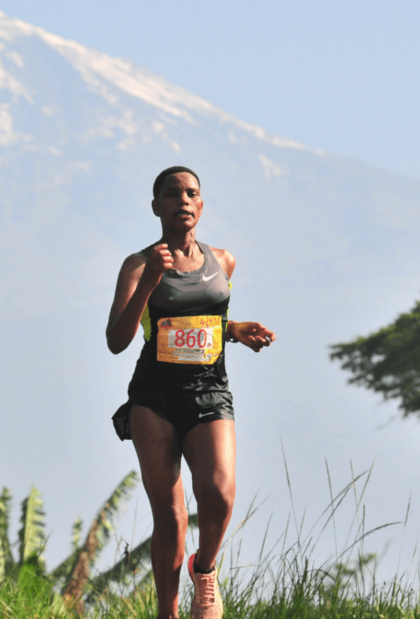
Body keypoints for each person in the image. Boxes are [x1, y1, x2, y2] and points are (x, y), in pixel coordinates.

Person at [105, 166, 275, 619]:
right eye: (172, 193)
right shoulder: (139, 265)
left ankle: (205, 571)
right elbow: (117, 340)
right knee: (171, 514)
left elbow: (209, 323)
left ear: (201, 205)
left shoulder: (224, 260)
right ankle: (168, 611)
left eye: (192, 193)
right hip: (155, 398)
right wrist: (148, 284)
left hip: (210, 392)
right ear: (157, 206)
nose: (183, 199)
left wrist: (235, 329)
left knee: (219, 493)